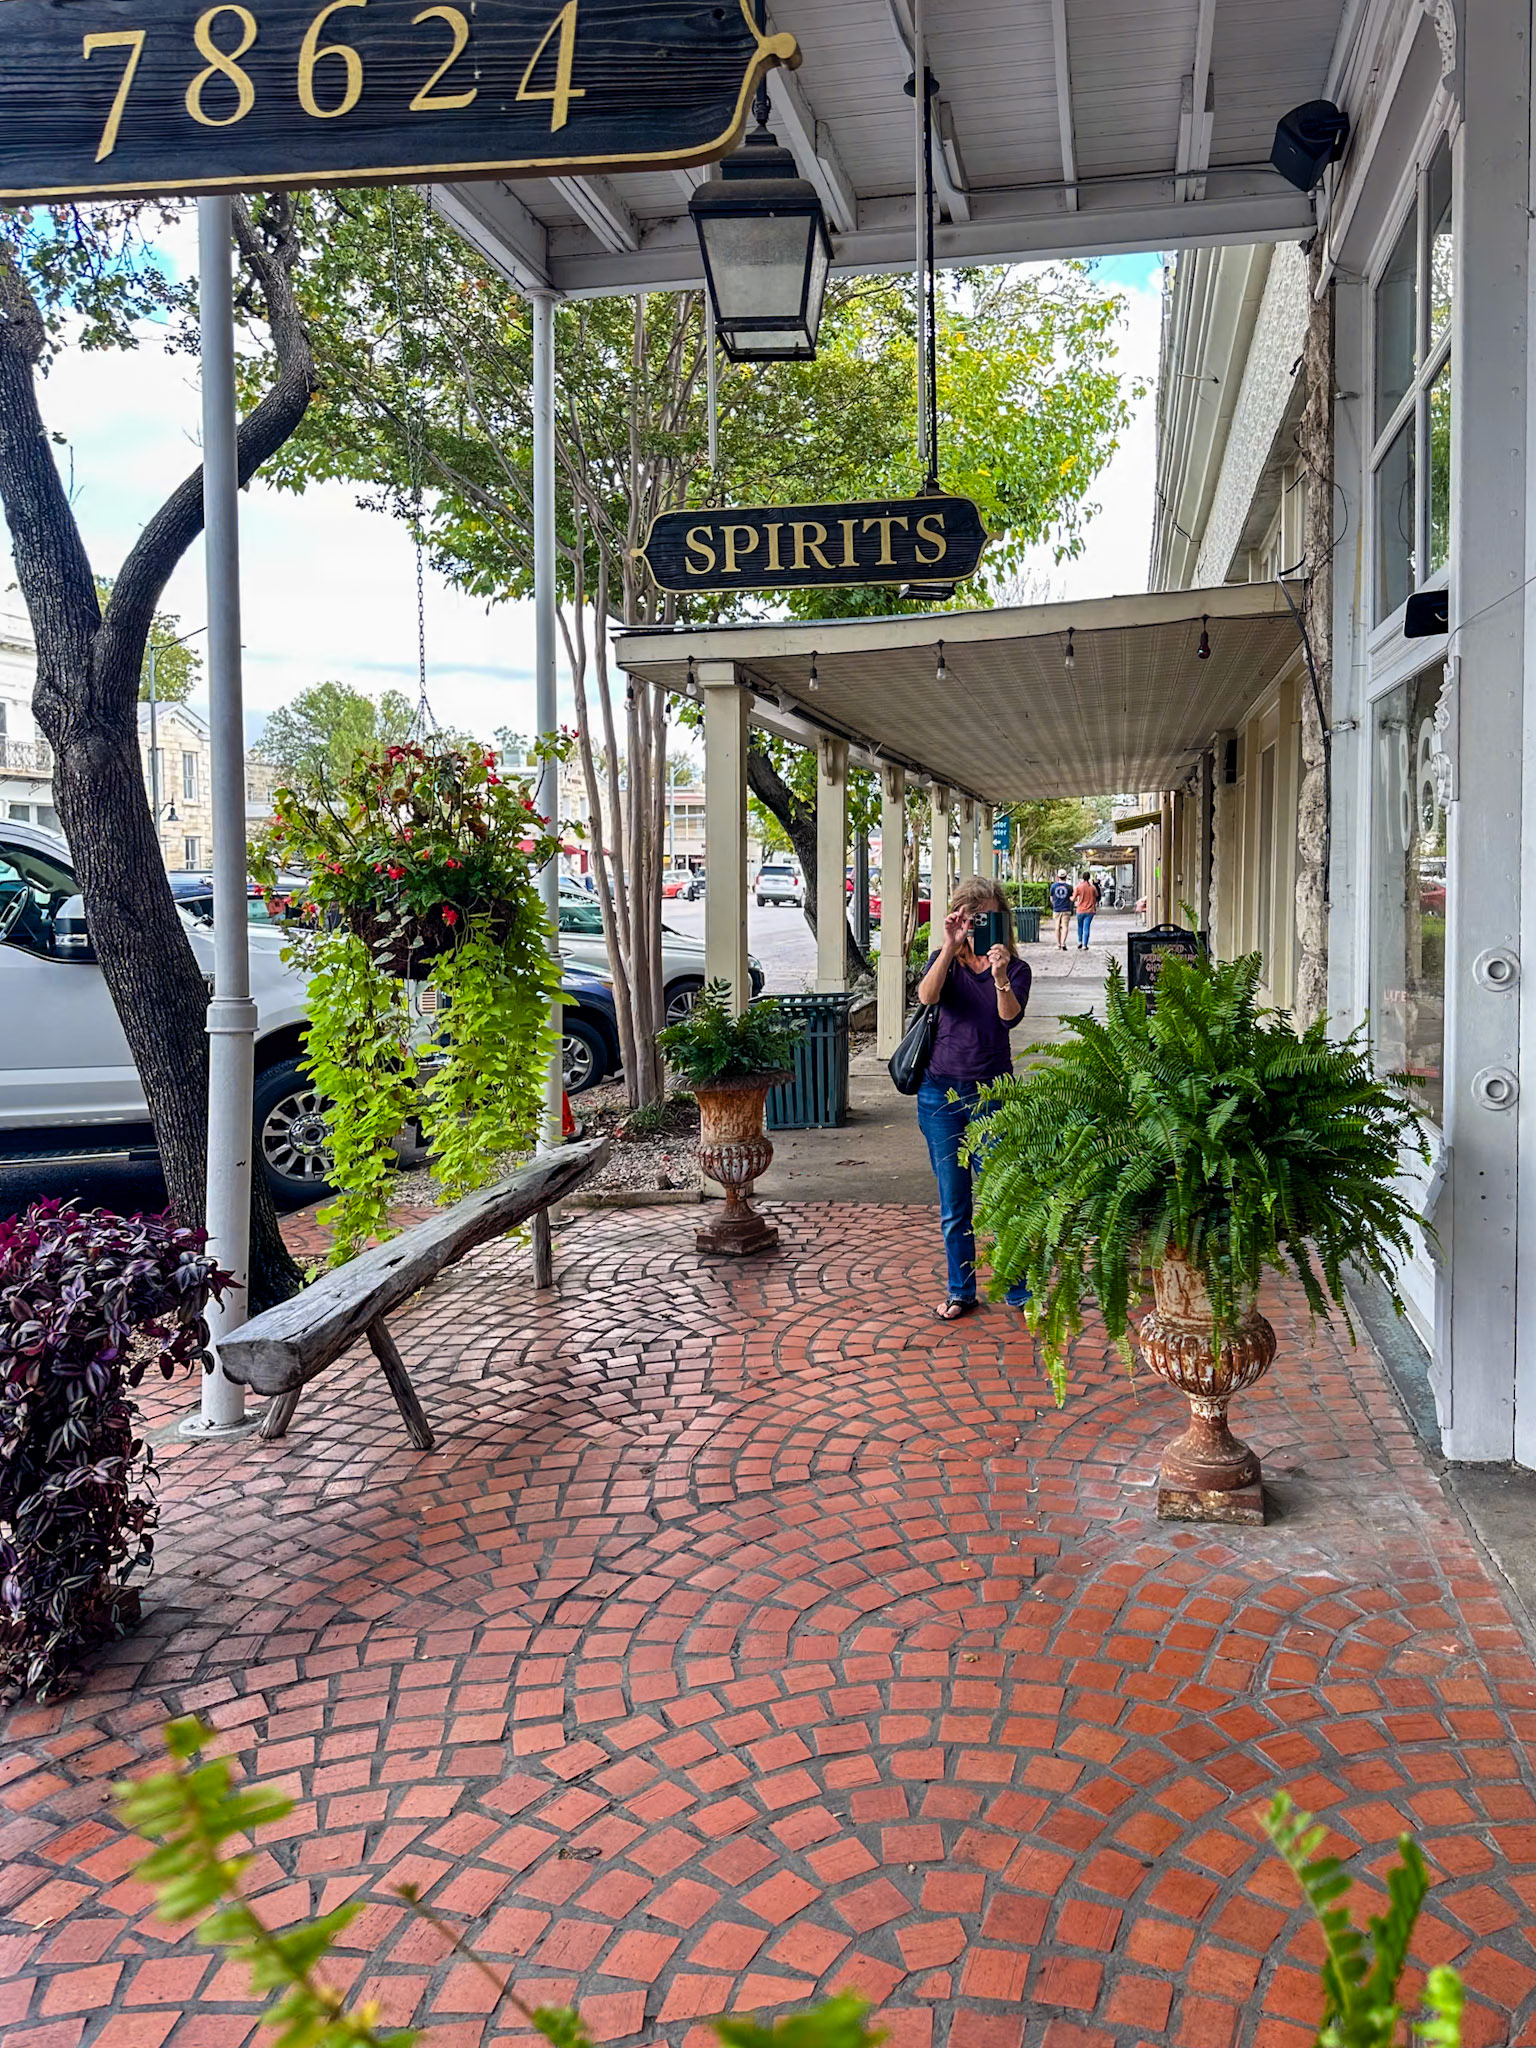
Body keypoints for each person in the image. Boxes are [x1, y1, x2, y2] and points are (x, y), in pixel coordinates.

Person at [914, 876, 1034, 1321]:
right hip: (940, 1096)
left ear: (1001, 920)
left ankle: (1019, 1291)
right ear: (959, 917)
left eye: (987, 917)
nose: (979, 926)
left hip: (993, 1095)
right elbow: (926, 996)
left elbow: (1009, 1021)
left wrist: (1000, 975)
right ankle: (961, 1290)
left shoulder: (1016, 969)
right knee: (955, 1203)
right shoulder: (943, 960)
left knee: (1004, 1197)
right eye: (971, 917)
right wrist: (949, 946)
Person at [1048, 869, 1074, 950]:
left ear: (1058, 877)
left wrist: (1055, 904)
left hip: (1057, 909)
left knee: (1057, 927)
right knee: (1065, 926)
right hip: (1066, 908)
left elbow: (1051, 898)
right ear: (1066, 877)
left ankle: (1058, 943)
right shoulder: (1069, 887)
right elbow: (1072, 898)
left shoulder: (1053, 886)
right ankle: (1063, 943)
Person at [1073, 870, 1097, 950]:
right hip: (1090, 911)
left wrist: (1069, 898)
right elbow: (1096, 895)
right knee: (1086, 927)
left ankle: (1080, 941)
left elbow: (1073, 898)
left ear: (1082, 877)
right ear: (1089, 878)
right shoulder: (1092, 887)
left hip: (1080, 910)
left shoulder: (1078, 887)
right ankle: (1085, 945)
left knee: (1080, 926)